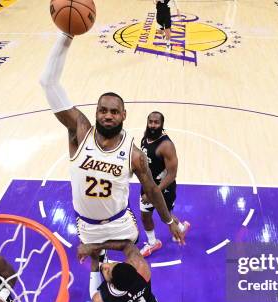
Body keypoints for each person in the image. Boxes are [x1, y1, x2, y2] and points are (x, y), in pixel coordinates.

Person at [39, 32, 185, 271]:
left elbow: (150, 190)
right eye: (103, 110)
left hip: (120, 224)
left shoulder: (134, 153)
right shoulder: (80, 132)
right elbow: (48, 82)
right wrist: (66, 35)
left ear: (123, 115)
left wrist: (168, 221)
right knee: (96, 270)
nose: (108, 115)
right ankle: (100, 270)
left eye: (114, 112)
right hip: (87, 224)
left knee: (137, 271)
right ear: (96, 113)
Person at [139, 111, 190, 257]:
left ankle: (179, 228)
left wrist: (154, 192)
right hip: (147, 185)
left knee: (165, 215)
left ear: (162, 124)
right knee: (145, 215)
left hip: (163, 188)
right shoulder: (146, 137)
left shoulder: (166, 145)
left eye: (156, 122)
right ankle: (153, 242)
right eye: (151, 122)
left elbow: (172, 174)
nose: (153, 125)